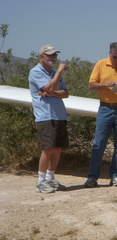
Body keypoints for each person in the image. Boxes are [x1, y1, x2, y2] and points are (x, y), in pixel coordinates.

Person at [84, 42, 117, 188]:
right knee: (98, 143)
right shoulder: (100, 65)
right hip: (105, 108)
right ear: (110, 53)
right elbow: (91, 85)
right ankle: (92, 177)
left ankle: (116, 176)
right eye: (115, 57)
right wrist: (106, 85)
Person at [28, 44, 69, 194]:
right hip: (45, 116)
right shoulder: (35, 72)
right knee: (48, 148)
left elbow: (65, 93)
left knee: (57, 148)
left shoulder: (53, 74)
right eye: (50, 55)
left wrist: (52, 92)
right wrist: (58, 72)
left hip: (59, 115)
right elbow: (49, 88)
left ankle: (50, 178)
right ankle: (40, 181)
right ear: (42, 57)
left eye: (55, 55)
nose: (54, 58)